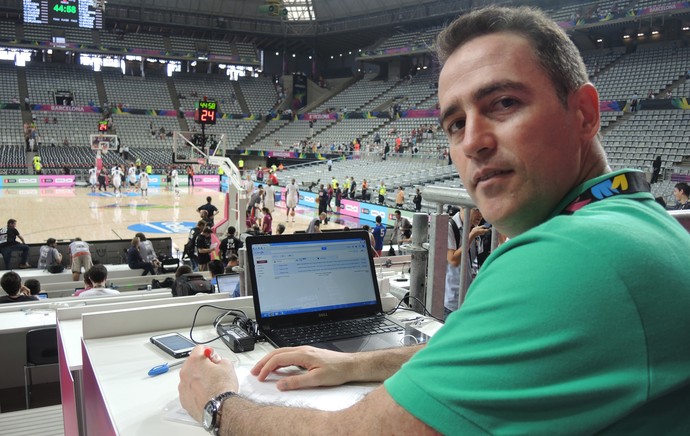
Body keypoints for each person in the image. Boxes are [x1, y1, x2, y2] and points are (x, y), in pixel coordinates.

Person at [178, 6, 690, 434]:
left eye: (504, 103)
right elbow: (488, 362)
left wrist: (219, 404)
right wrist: (354, 363)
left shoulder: (574, 257)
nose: (472, 141)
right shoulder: (632, 223)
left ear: (583, 113)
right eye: (455, 122)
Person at [444, 207, 490, 318]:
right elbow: (453, 261)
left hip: (469, 300)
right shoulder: (449, 227)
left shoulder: (474, 229)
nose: (480, 215)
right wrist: (470, 237)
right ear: (462, 207)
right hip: (452, 302)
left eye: (482, 210)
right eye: (476, 210)